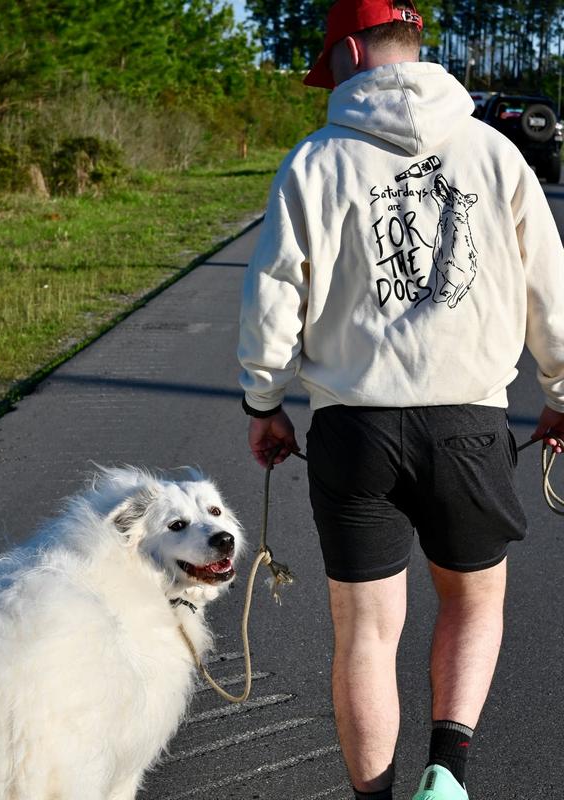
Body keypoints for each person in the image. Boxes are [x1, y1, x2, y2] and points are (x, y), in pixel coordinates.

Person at [236, 2, 564, 799]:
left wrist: (264, 403)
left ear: (350, 49)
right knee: (475, 597)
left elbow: (274, 295)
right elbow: (547, 288)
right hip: (472, 424)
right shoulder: (496, 155)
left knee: (366, 632)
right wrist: (560, 390)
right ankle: (446, 774)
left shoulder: (315, 162)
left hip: (354, 430)